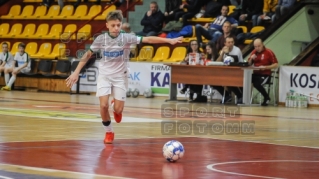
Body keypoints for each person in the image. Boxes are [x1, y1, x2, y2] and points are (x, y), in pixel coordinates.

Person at [66, 10, 183, 144]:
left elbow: (149, 39)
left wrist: (170, 40)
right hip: (104, 75)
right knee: (103, 106)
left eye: (118, 25)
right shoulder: (101, 39)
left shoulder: (127, 37)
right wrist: (76, 72)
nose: (116, 28)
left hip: (121, 77)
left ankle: (116, 105)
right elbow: (87, 55)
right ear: (107, 26)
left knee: (118, 110)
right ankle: (109, 132)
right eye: (113, 25)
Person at [248, 38, 278, 106]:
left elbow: (276, 64)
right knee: (245, 80)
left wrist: (266, 67)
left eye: (259, 46)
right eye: (255, 46)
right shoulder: (254, 52)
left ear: (262, 44)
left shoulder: (269, 52)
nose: (257, 48)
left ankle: (267, 97)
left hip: (265, 75)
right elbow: (248, 64)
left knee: (256, 83)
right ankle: (243, 98)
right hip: (255, 74)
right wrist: (251, 59)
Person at [216, 36, 243, 103]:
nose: (231, 44)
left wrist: (227, 53)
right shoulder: (223, 50)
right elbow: (217, 62)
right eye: (229, 42)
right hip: (226, 72)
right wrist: (222, 53)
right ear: (225, 43)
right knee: (213, 81)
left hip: (236, 71)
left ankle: (240, 96)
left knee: (229, 80)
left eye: (232, 42)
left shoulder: (237, 50)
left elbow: (234, 61)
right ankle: (227, 96)